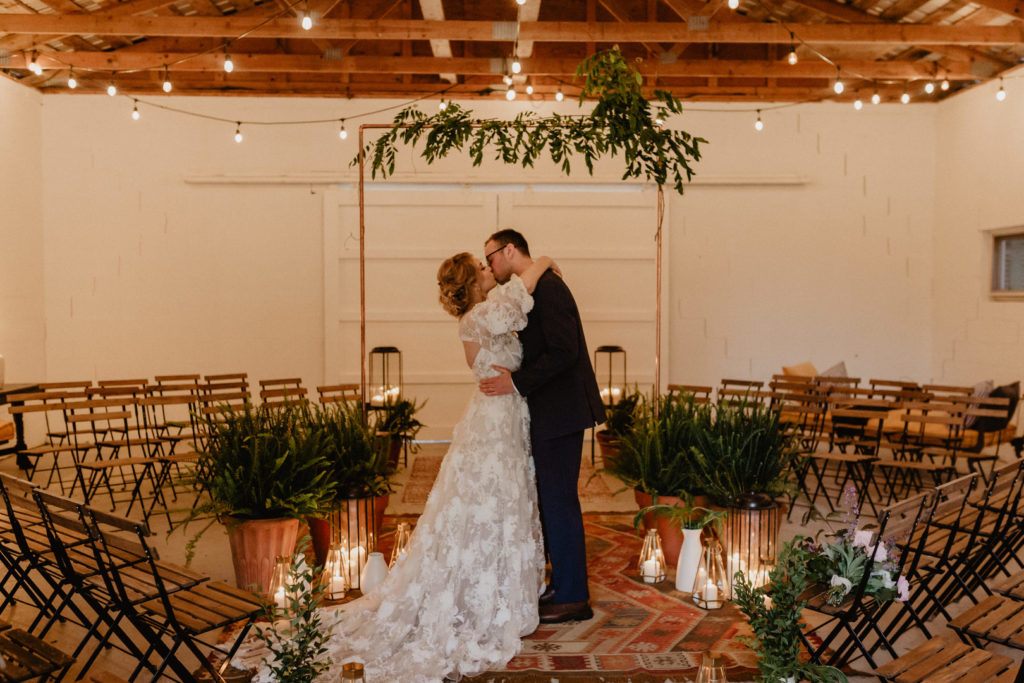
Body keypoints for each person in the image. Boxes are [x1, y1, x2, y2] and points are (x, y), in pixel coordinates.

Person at [252, 251, 557, 683]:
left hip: (502, 416)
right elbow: (522, 290)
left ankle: (493, 584)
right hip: (494, 419)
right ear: (472, 281)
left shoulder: (480, 315)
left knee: (492, 503)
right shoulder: (481, 316)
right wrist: (543, 259)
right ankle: (484, 595)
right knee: (490, 501)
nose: (492, 271)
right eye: (484, 268)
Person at [479, 229, 605, 624]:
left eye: (491, 258)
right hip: (552, 410)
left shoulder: (549, 289)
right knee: (551, 500)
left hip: (562, 410)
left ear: (510, 250)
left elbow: (565, 352)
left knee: (559, 501)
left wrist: (515, 382)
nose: (489, 266)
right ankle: (563, 585)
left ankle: (573, 596)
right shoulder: (536, 286)